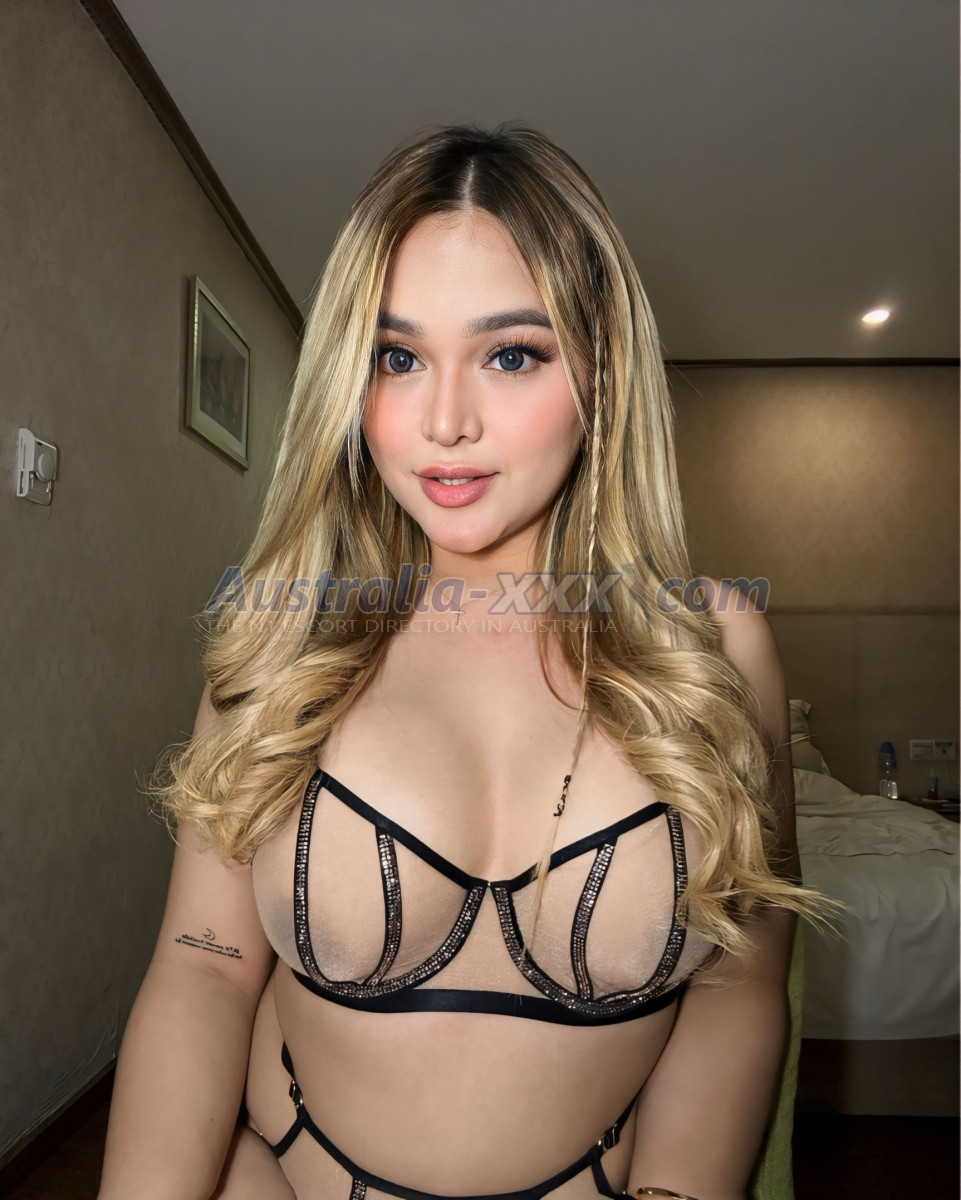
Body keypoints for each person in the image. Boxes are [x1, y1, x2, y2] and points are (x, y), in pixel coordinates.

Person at [98, 123, 827, 1200]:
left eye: (511, 354)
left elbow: (737, 987)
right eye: (397, 358)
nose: (443, 422)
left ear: (603, 371)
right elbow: (203, 966)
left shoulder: (716, 648)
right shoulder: (281, 635)